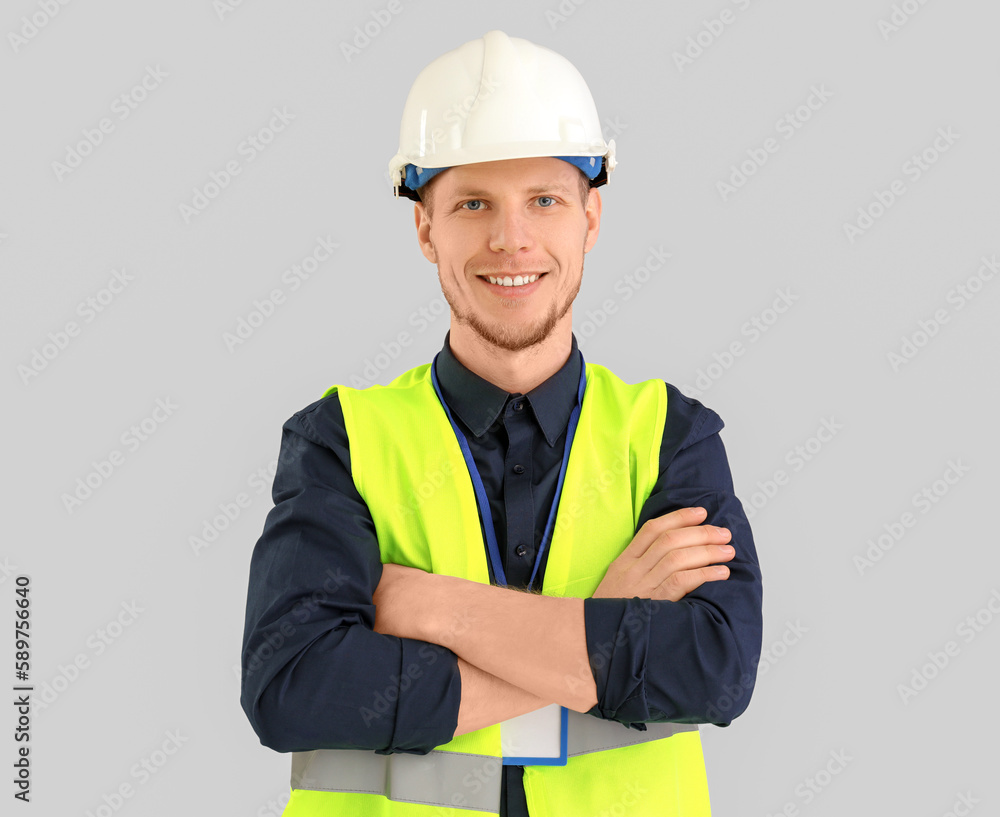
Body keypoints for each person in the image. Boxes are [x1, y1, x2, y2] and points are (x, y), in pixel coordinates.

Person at [241, 30, 763, 817]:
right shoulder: (341, 438)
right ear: (426, 229)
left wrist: (431, 608)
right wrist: (598, 627)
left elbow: (715, 669)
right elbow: (293, 688)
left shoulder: (669, 436)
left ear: (591, 218)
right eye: (473, 203)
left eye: (543, 201)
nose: (510, 239)